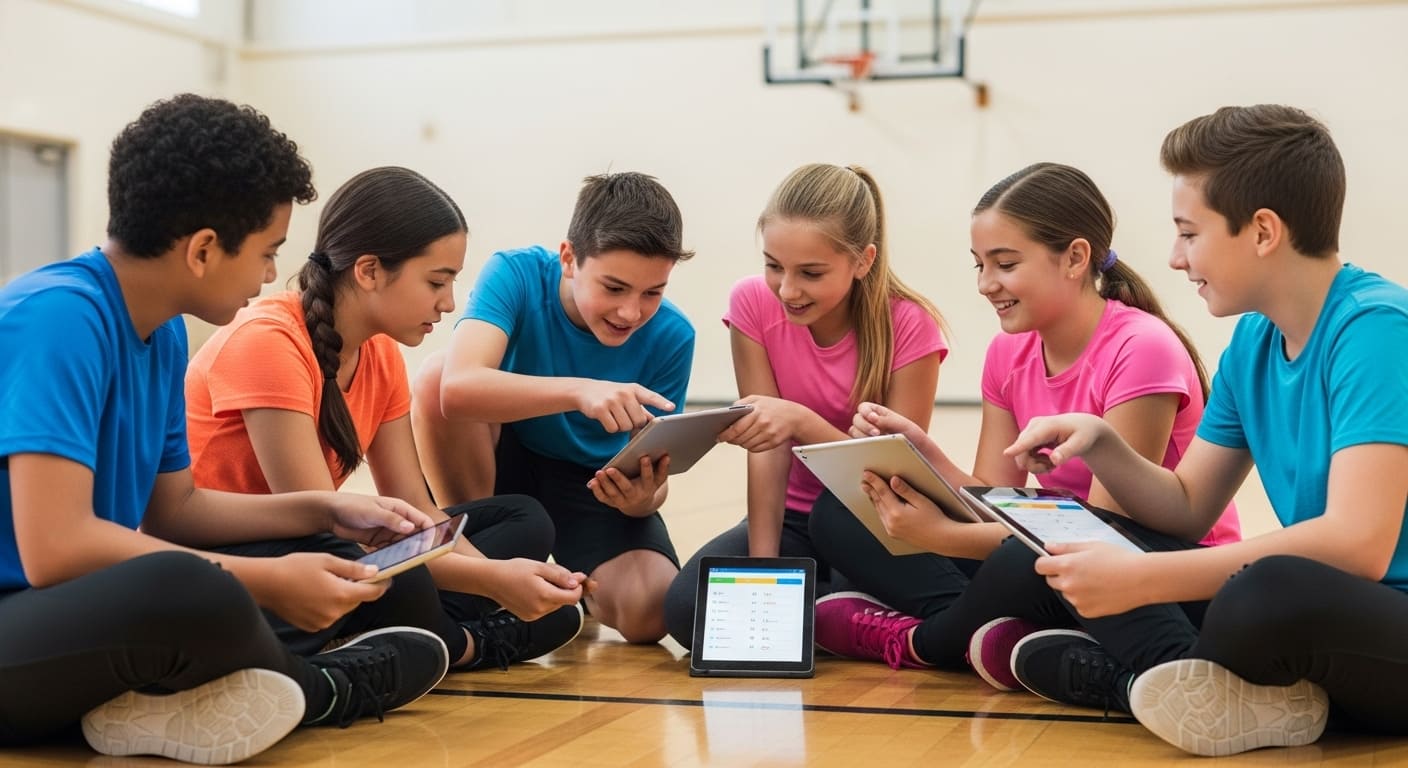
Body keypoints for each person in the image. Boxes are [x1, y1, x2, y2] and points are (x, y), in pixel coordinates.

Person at [0, 95, 449, 765]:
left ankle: (151, 706)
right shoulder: (59, 318)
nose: (272, 275)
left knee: (328, 560)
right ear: (205, 249)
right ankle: (326, 688)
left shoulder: (162, 334)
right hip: (28, 615)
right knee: (198, 588)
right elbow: (56, 548)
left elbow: (176, 509)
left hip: (69, 616)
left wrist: (323, 506)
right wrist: (263, 583)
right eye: (268, 252)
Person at [998, 105, 1408, 756]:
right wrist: (1102, 442)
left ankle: (1141, 678)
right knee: (1083, 535)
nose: (1175, 256)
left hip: (1381, 616)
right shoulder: (1253, 338)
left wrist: (1142, 581)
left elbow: (1360, 545)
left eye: (1189, 233)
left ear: (1263, 231)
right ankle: (1190, 687)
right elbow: (1185, 510)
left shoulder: (1377, 329)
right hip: (1326, 617)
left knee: (1267, 587)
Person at [807, 163, 1240, 685]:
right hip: (1055, 555)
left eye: (1006, 264)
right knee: (840, 512)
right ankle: (996, 631)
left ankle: (927, 641)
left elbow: (1094, 540)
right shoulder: (1009, 350)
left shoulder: (1139, 348)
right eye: (979, 266)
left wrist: (943, 538)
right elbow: (996, 500)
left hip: (1155, 575)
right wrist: (924, 456)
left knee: (1025, 563)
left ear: (1076, 258)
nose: (987, 285)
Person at [185, 166, 587, 673]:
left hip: (327, 550)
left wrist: (502, 575)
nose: (449, 303)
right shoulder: (269, 341)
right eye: (437, 282)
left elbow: (418, 505)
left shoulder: (381, 353)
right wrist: (490, 584)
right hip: (254, 562)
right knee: (403, 570)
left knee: (521, 520)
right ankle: (464, 644)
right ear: (370, 271)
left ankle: (424, 635)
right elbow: (322, 523)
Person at [661, 162, 948, 649]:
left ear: (863, 261)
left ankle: (847, 612)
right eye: (774, 265)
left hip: (872, 521)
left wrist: (802, 421)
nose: (788, 290)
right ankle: (846, 618)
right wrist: (763, 571)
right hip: (793, 520)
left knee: (846, 550)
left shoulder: (911, 325)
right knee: (687, 608)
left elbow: (899, 474)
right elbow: (766, 448)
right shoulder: (752, 303)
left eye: (811, 273)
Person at [412, 172, 695, 643]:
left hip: (590, 481)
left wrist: (643, 498)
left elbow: (655, 479)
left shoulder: (673, 336)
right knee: (435, 375)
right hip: (502, 453)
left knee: (651, 613)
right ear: (569, 259)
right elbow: (456, 389)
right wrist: (579, 391)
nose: (631, 312)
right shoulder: (515, 273)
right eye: (614, 287)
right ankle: (482, 554)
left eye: (652, 293)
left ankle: (575, 588)